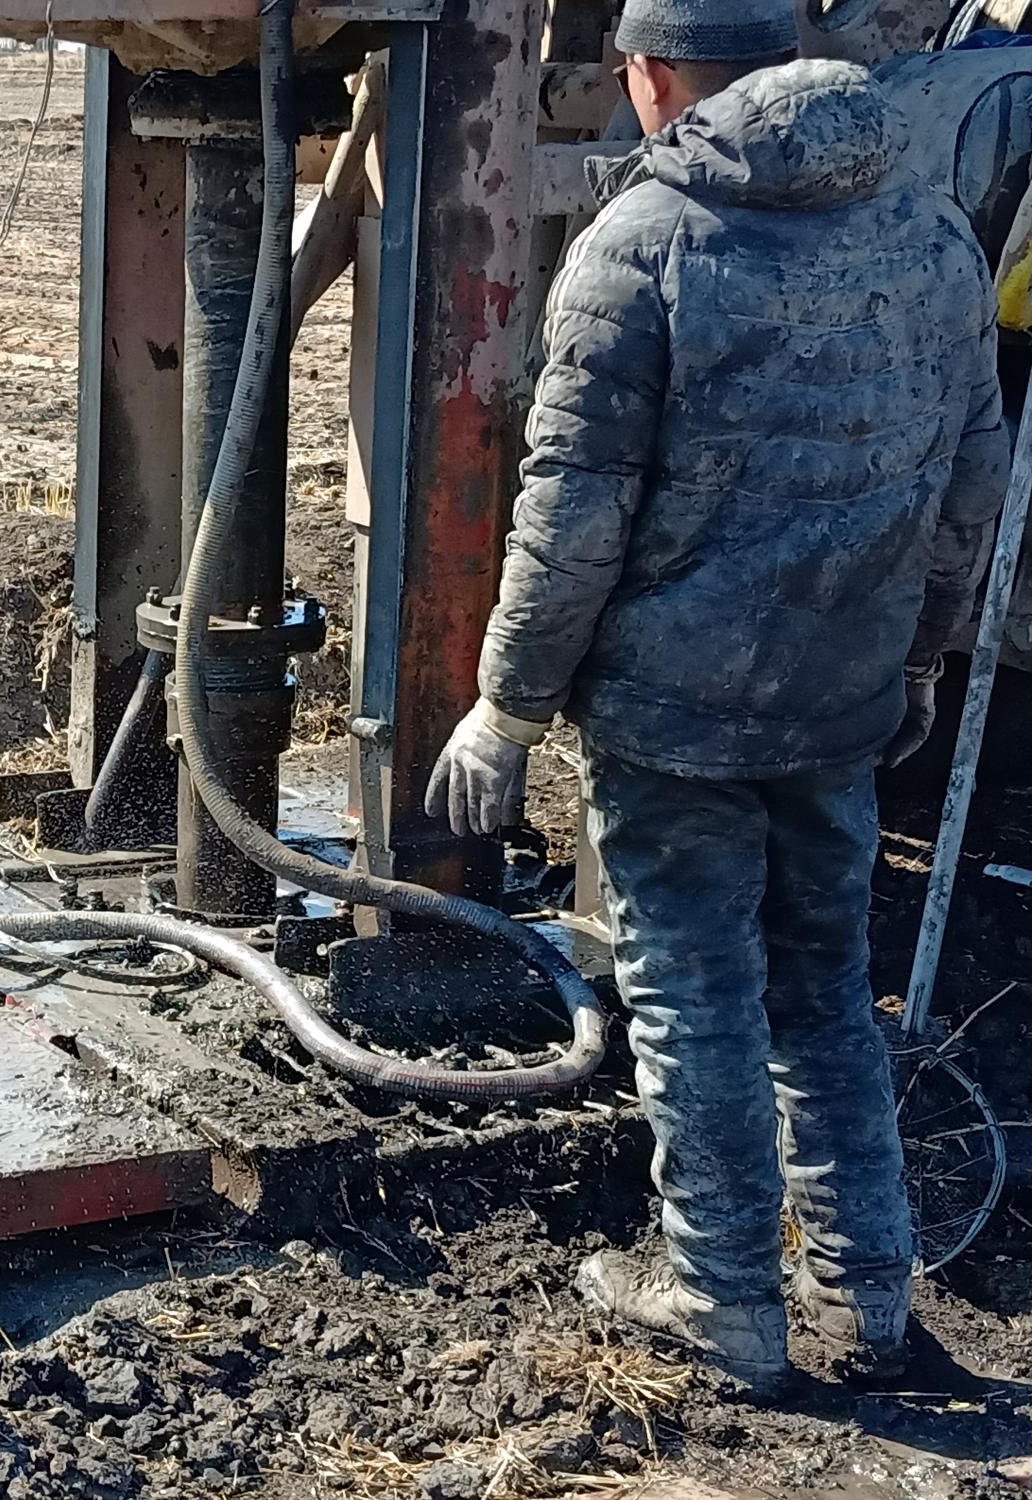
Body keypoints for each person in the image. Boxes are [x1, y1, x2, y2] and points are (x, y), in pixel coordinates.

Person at [426, 0, 1010, 1391]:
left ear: (650, 75)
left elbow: (570, 520)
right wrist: (919, 657)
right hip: (844, 696)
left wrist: (506, 707)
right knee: (823, 992)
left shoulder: (646, 245)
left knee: (693, 998)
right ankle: (870, 1299)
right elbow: (972, 485)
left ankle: (724, 1298)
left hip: (675, 718)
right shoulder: (928, 235)